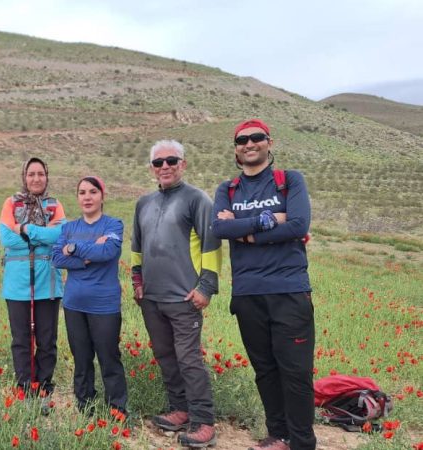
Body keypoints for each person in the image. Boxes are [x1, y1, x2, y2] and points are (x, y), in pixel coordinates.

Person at [212, 119, 315, 450]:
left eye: (256, 137)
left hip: (289, 290)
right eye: (242, 140)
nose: (249, 144)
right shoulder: (227, 189)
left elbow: (298, 225)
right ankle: (278, 435)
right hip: (248, 293)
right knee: (265, 370)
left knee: (296, 372)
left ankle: (302, 442)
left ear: (269, 143)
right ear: (236, 150)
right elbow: (219, 229)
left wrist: (245, 232)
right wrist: (268, 220)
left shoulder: (289, 180)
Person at [131, 140, 221, 448]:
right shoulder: (144, 203)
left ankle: (204, 421)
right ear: (152, 169)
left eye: (171, 160)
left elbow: (212, 245)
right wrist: (136, 280)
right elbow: (136, 247)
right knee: (165, 356)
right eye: (159, 163)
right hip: (151, 298)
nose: (165, 166)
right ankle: (180, 409)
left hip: (184, 298)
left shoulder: (197, 199)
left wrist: (206, 287)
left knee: (189, 359)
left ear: (183, 164)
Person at [52, 176, 128, 418]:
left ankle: (117, 409)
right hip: (74, 304)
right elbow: (57, 258)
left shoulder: (113, 224)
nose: (87, 197)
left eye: (93, 192)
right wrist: (87, 256)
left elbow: (108, 251)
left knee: (109, 358)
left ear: (102, 196)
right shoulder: (68, 228)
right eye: (82, 192)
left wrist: (74, 248)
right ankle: (85, 406)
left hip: (104, 305)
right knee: (82, 358)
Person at [0, 157, 66, 402]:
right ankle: (25, 387)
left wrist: (26, 229)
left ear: (47, 177)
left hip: (48, 283)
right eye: (31, 174)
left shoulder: (54, 204)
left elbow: (60, 235)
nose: (36, 179)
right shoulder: (11, 203)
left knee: (47, 340)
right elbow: (7, 238)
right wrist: (42, 236)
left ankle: (44, 386)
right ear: (24, 177)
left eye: (41, 174)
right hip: (17, 285)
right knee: (21, 339)